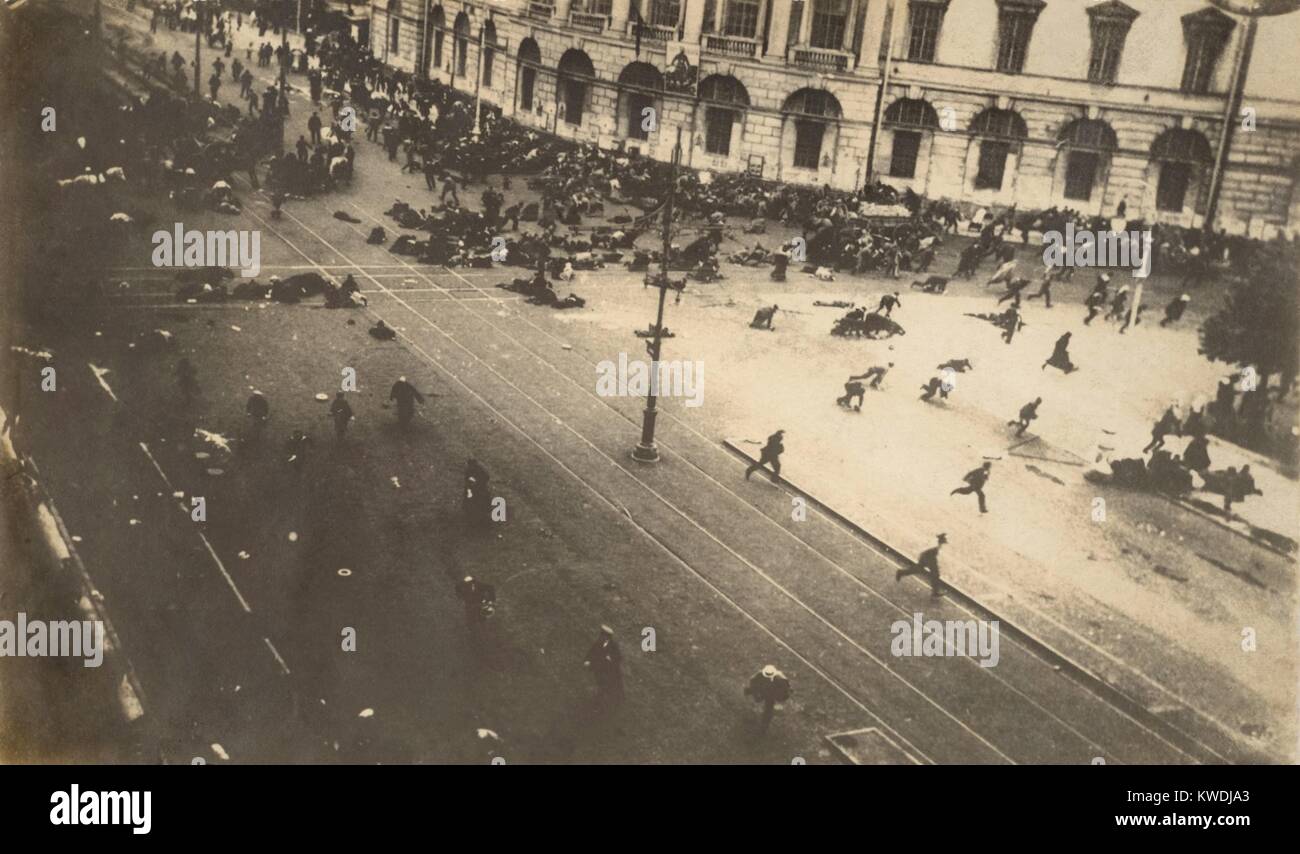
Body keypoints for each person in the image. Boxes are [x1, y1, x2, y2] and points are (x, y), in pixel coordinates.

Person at [895, 533, 947, 598]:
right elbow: (931, 554)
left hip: (926, 556)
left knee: (918, 569)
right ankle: (935, 592)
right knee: (935, 574)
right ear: (941, 540)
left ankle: (901, 572)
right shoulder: (936, 545)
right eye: (944, 540)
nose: (945, 542)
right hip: (927, 557)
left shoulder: (937, 544)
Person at [583, 626, 623, 705]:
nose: (601, 637)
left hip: (609, 670)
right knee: (601, 683)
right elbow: (591, 652)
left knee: (607, 685)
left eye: (603, 635)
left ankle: (605, 699)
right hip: (599, 668)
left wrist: (610, 658)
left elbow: (619, 657)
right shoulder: (598, 643)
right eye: (601, 635)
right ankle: (601, 696)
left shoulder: (613, 646)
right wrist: (587, 660)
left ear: (607, 637)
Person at [744, 664, 791, 735]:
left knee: (768, 708)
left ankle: (764, 726)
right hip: (763, 689)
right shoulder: (759, 675)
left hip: (772, 693)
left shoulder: (781, 679)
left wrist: (780, 696)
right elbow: (753, 682)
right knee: (754, 692)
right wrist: (756, 694)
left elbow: (786, 689)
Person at [456, 575, 496, 643]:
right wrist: (460, 596)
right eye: (467, 583)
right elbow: (457, 588)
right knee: (470, 623)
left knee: (482, 622)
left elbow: (491, 587)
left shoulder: (479, 585)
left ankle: (486, 639)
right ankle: (474, 639)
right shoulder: (463, 586)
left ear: (473, 581)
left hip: (480, 605)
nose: (469, 584)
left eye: (470, 582)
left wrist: (490, 600)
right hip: (469, 606)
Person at [463, 457, 491, 525]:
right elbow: (467, 478)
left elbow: (486, 477)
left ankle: (483, 515)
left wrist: (478, 483)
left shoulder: (481, 469)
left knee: (482, 500)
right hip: (472, 486)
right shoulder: (468, 469)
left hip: (480, 486)